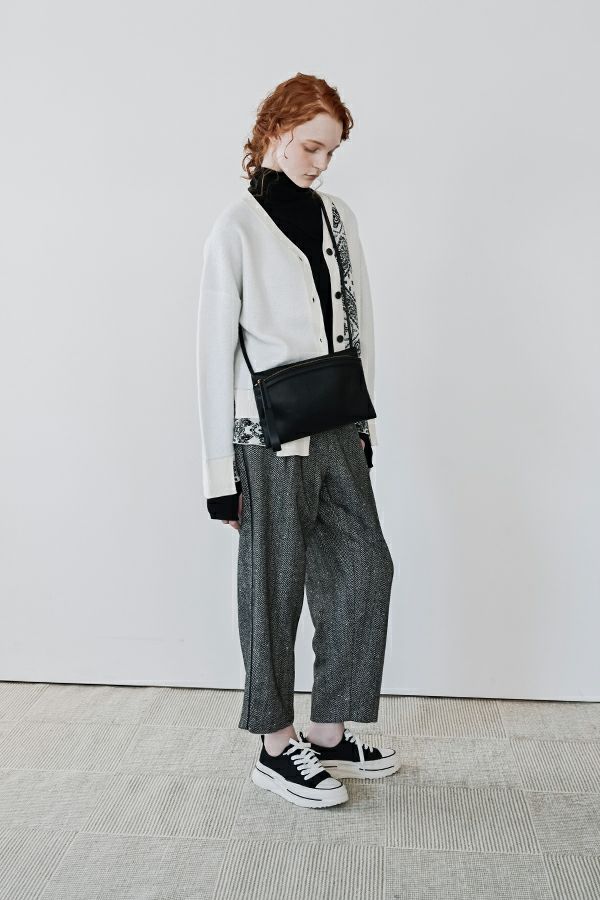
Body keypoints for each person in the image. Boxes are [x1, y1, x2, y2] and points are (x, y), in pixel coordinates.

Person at [196, 73, 398, 808]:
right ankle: (275, 746)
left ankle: (328, 731)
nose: (320, 162)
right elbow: (211, 355)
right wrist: (219, 476)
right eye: (311, 146)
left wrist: (365, 426)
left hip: (338, 421)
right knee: (272, 589)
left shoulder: (338, 216)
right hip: (269, 437)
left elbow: (359, 323)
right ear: (275, 132)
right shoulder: (237, 227)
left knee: (365, 567)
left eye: (331, 151)